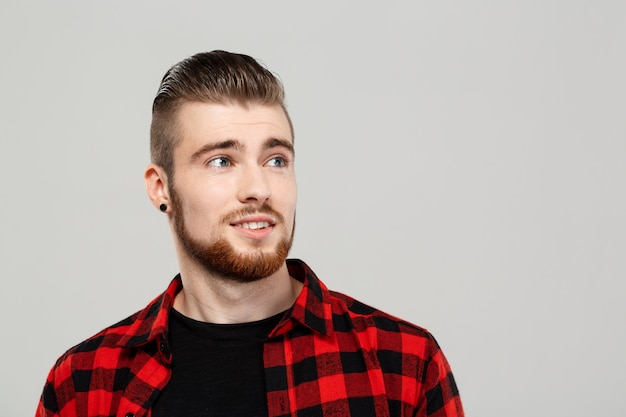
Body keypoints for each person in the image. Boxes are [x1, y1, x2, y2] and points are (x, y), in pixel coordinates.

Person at [36, 50, 464, 417]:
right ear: (161, 188)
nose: (259, 188)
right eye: (221, 161)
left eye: (276, 160)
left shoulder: (403, 365)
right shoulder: (84, 383)